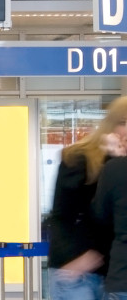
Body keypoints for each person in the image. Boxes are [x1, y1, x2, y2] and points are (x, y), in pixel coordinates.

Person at [61, 96, 127, 300]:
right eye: (122, 122)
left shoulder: (115, 168)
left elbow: (100, 215)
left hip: (120, 276)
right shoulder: (81, 159)